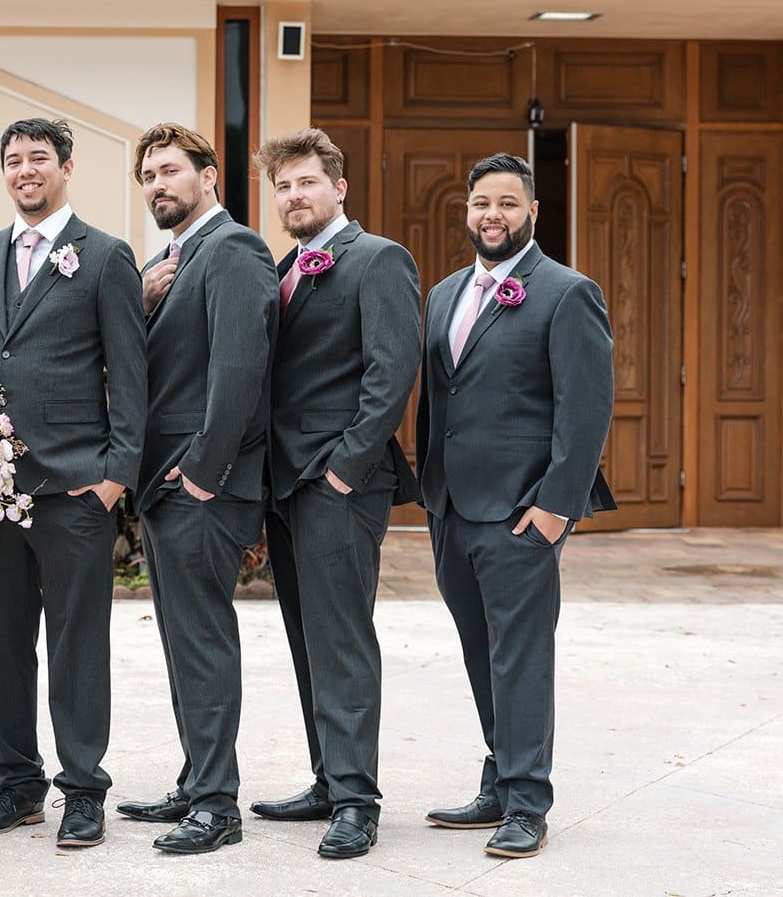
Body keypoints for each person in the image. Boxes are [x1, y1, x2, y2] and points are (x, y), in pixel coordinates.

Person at [0, 118, 146, 849]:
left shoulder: (105, 255)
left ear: (66, 167)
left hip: (74, 489)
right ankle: (17, 784)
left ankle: (84, 790)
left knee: (76, 647)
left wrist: (114, 476)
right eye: (13, 160)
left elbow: (130, 372)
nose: (25, 170)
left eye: (39, 158)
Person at [416, 153, 615, 858]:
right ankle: (500, 780)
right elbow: (440, 399)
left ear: (532, 211)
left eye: (506, 203)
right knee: (481, 651)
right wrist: (430, 494)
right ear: (467, 211)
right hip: (451, 509)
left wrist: (556, 508)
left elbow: (585, 409)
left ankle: (528, 801)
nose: (491, 215)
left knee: (521, 658)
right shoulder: (443, 294)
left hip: (521, 513)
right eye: (480, 203)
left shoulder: (567, 293)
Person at [250, 128, 422, 859]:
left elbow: (392, 371)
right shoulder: (286, 267)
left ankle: (357, 800)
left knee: (342, 639)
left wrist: (344, 469)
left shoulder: (377, 259)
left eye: (307, 182)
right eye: (283, 186)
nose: (294, 196)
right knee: (306, 638)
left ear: (339, 188)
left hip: (338, 485)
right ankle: (327, 778)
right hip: (285, 485)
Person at [115, 124, 277, 854]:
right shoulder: (163, 262)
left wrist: (205, 472)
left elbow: (239, 368)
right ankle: (195, 779)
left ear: (208, 175)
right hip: (163, 481)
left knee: (203, 639)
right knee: (181, 639)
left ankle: (217, 805)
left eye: (171, 170)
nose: (158, 184)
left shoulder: (233, 248)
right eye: (148, 175)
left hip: (202, 482)